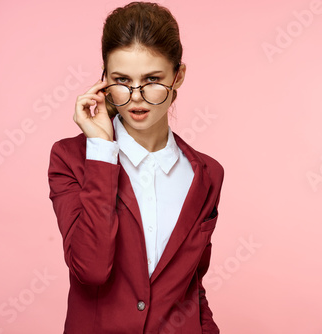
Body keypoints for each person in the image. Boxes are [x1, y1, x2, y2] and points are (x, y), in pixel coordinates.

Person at [48, 2, 224, 333]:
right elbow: (91, 269)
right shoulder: (70, 158)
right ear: (103, 81)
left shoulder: (208, 175)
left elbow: (192, 288)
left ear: (178, 76)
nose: (136, 96)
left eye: (153, 79)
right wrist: (101, 150)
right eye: (121, 80)